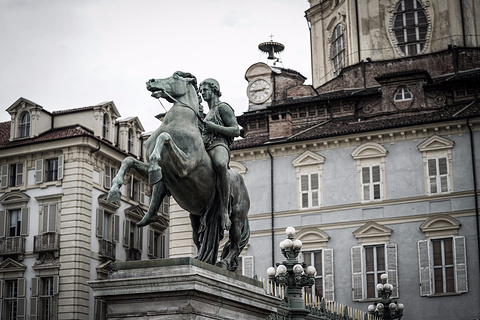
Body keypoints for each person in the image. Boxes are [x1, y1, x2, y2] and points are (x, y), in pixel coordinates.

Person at [199, 78, 240, 231]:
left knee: (220, 165)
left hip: (219, 144)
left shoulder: (223, 108)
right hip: (205, 145)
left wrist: (214, 127)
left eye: (205, 90)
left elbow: (236, 130)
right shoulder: (206, 113)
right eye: (201, 91)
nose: (203, 93)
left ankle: (224, 209)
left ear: (214, 90)